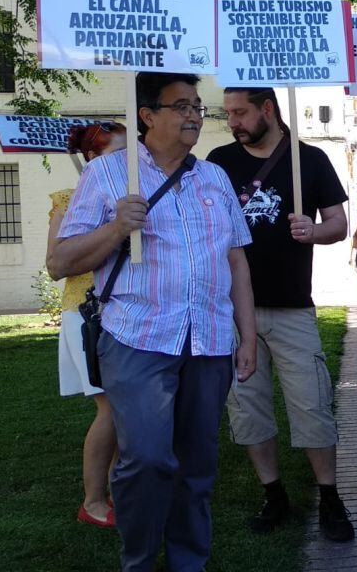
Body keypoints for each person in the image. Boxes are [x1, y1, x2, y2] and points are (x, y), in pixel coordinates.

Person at [50, 72, 256, 572]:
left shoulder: (214, 178)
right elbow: (60, 262)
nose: (193, 116)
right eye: (181, 106)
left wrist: (247, 336)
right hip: (138, 339)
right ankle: (138, 559)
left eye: (197, 107)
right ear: (147, 115)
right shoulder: (107, 176)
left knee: (198, 467)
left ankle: (189, 562)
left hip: (207, 342)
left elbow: (236, 261)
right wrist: (118, 226)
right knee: (144, 458)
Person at [207, 87, 353, 541]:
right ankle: (273, 493)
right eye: (228, 113)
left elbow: (339, 224)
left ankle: (329, 496)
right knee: (247, 409)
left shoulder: (309, 159)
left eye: (240, 112)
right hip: (233, 311)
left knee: (311, 403)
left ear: (267, 109)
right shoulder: (217, 161)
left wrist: (314, 230)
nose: (233, 121)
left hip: (291, 307)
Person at [46, 121, 127, 529]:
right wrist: (107, 233)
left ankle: (116, 492)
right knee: (110, 408)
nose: (129, 163)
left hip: (123, 312)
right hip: (86, 314)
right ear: (93, 159)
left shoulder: (131, 197)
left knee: (123, 406)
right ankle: (93, 502)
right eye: (118, 155)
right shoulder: (66, 200)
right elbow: (56, 265)